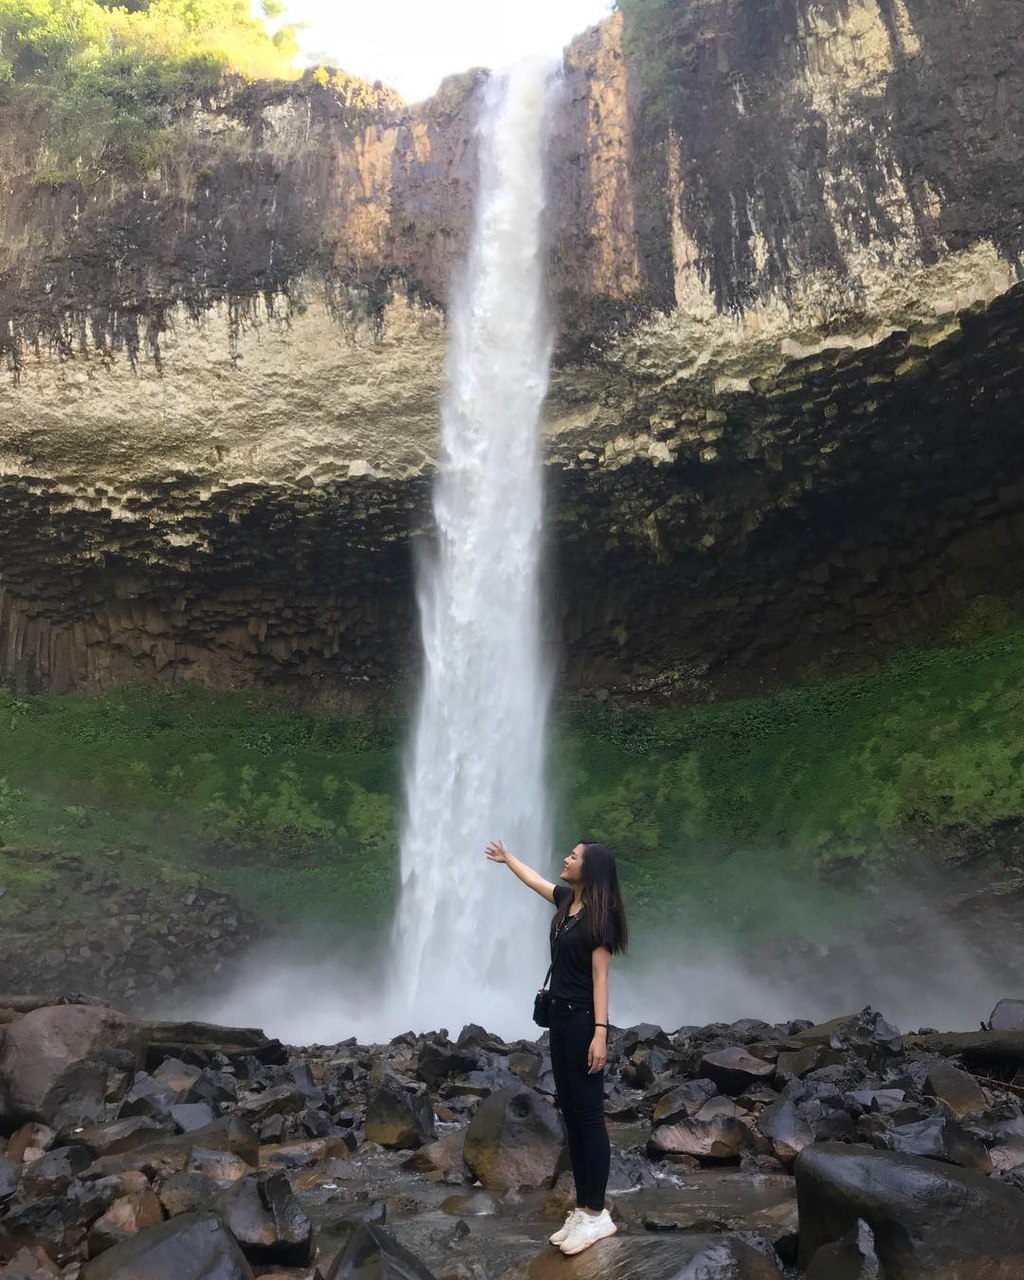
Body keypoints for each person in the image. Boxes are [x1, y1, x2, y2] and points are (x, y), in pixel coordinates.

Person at [484, 838, 629, 1256]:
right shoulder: (568, 902)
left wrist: (601, 1032)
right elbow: (536, 882)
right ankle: (583, 1211)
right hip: (560, 1022)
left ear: (591, 868)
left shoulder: (602, 919)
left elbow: (601, 979)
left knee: (588, 1117)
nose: (566, 859)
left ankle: (598, 1214)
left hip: (584, 1021)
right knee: (570, 1114)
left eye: (574, 856)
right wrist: (509, 858)